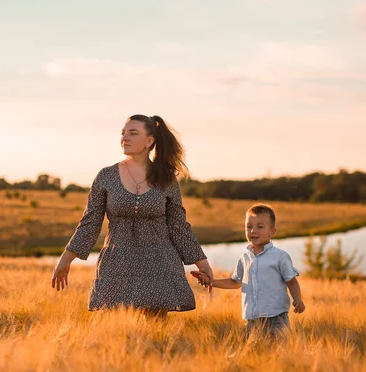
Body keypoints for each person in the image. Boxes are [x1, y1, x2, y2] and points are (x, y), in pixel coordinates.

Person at [51, 114, 215, 317]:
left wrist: (202, 263)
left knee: (156, 331)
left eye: (133, 133)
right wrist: (66, 259)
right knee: (117, 331)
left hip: (159, 263)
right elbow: (90, 222)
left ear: (149, 141)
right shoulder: (106, 176)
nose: (125, 138)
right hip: (117, 264)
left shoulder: (166, 179)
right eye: (123, 133)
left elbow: (178, 226)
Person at [191, 204, 305, 337]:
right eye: (249, 226)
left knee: (280, 351)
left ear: (272, 231)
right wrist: (211, 282)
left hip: (277, 318)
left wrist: (297, 300)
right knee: (255, 353)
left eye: (260, 227)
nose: (253, 231)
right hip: (251, 320)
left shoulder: (280, 256)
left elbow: (291, 282)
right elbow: (235, 282)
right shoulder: (244, 258)